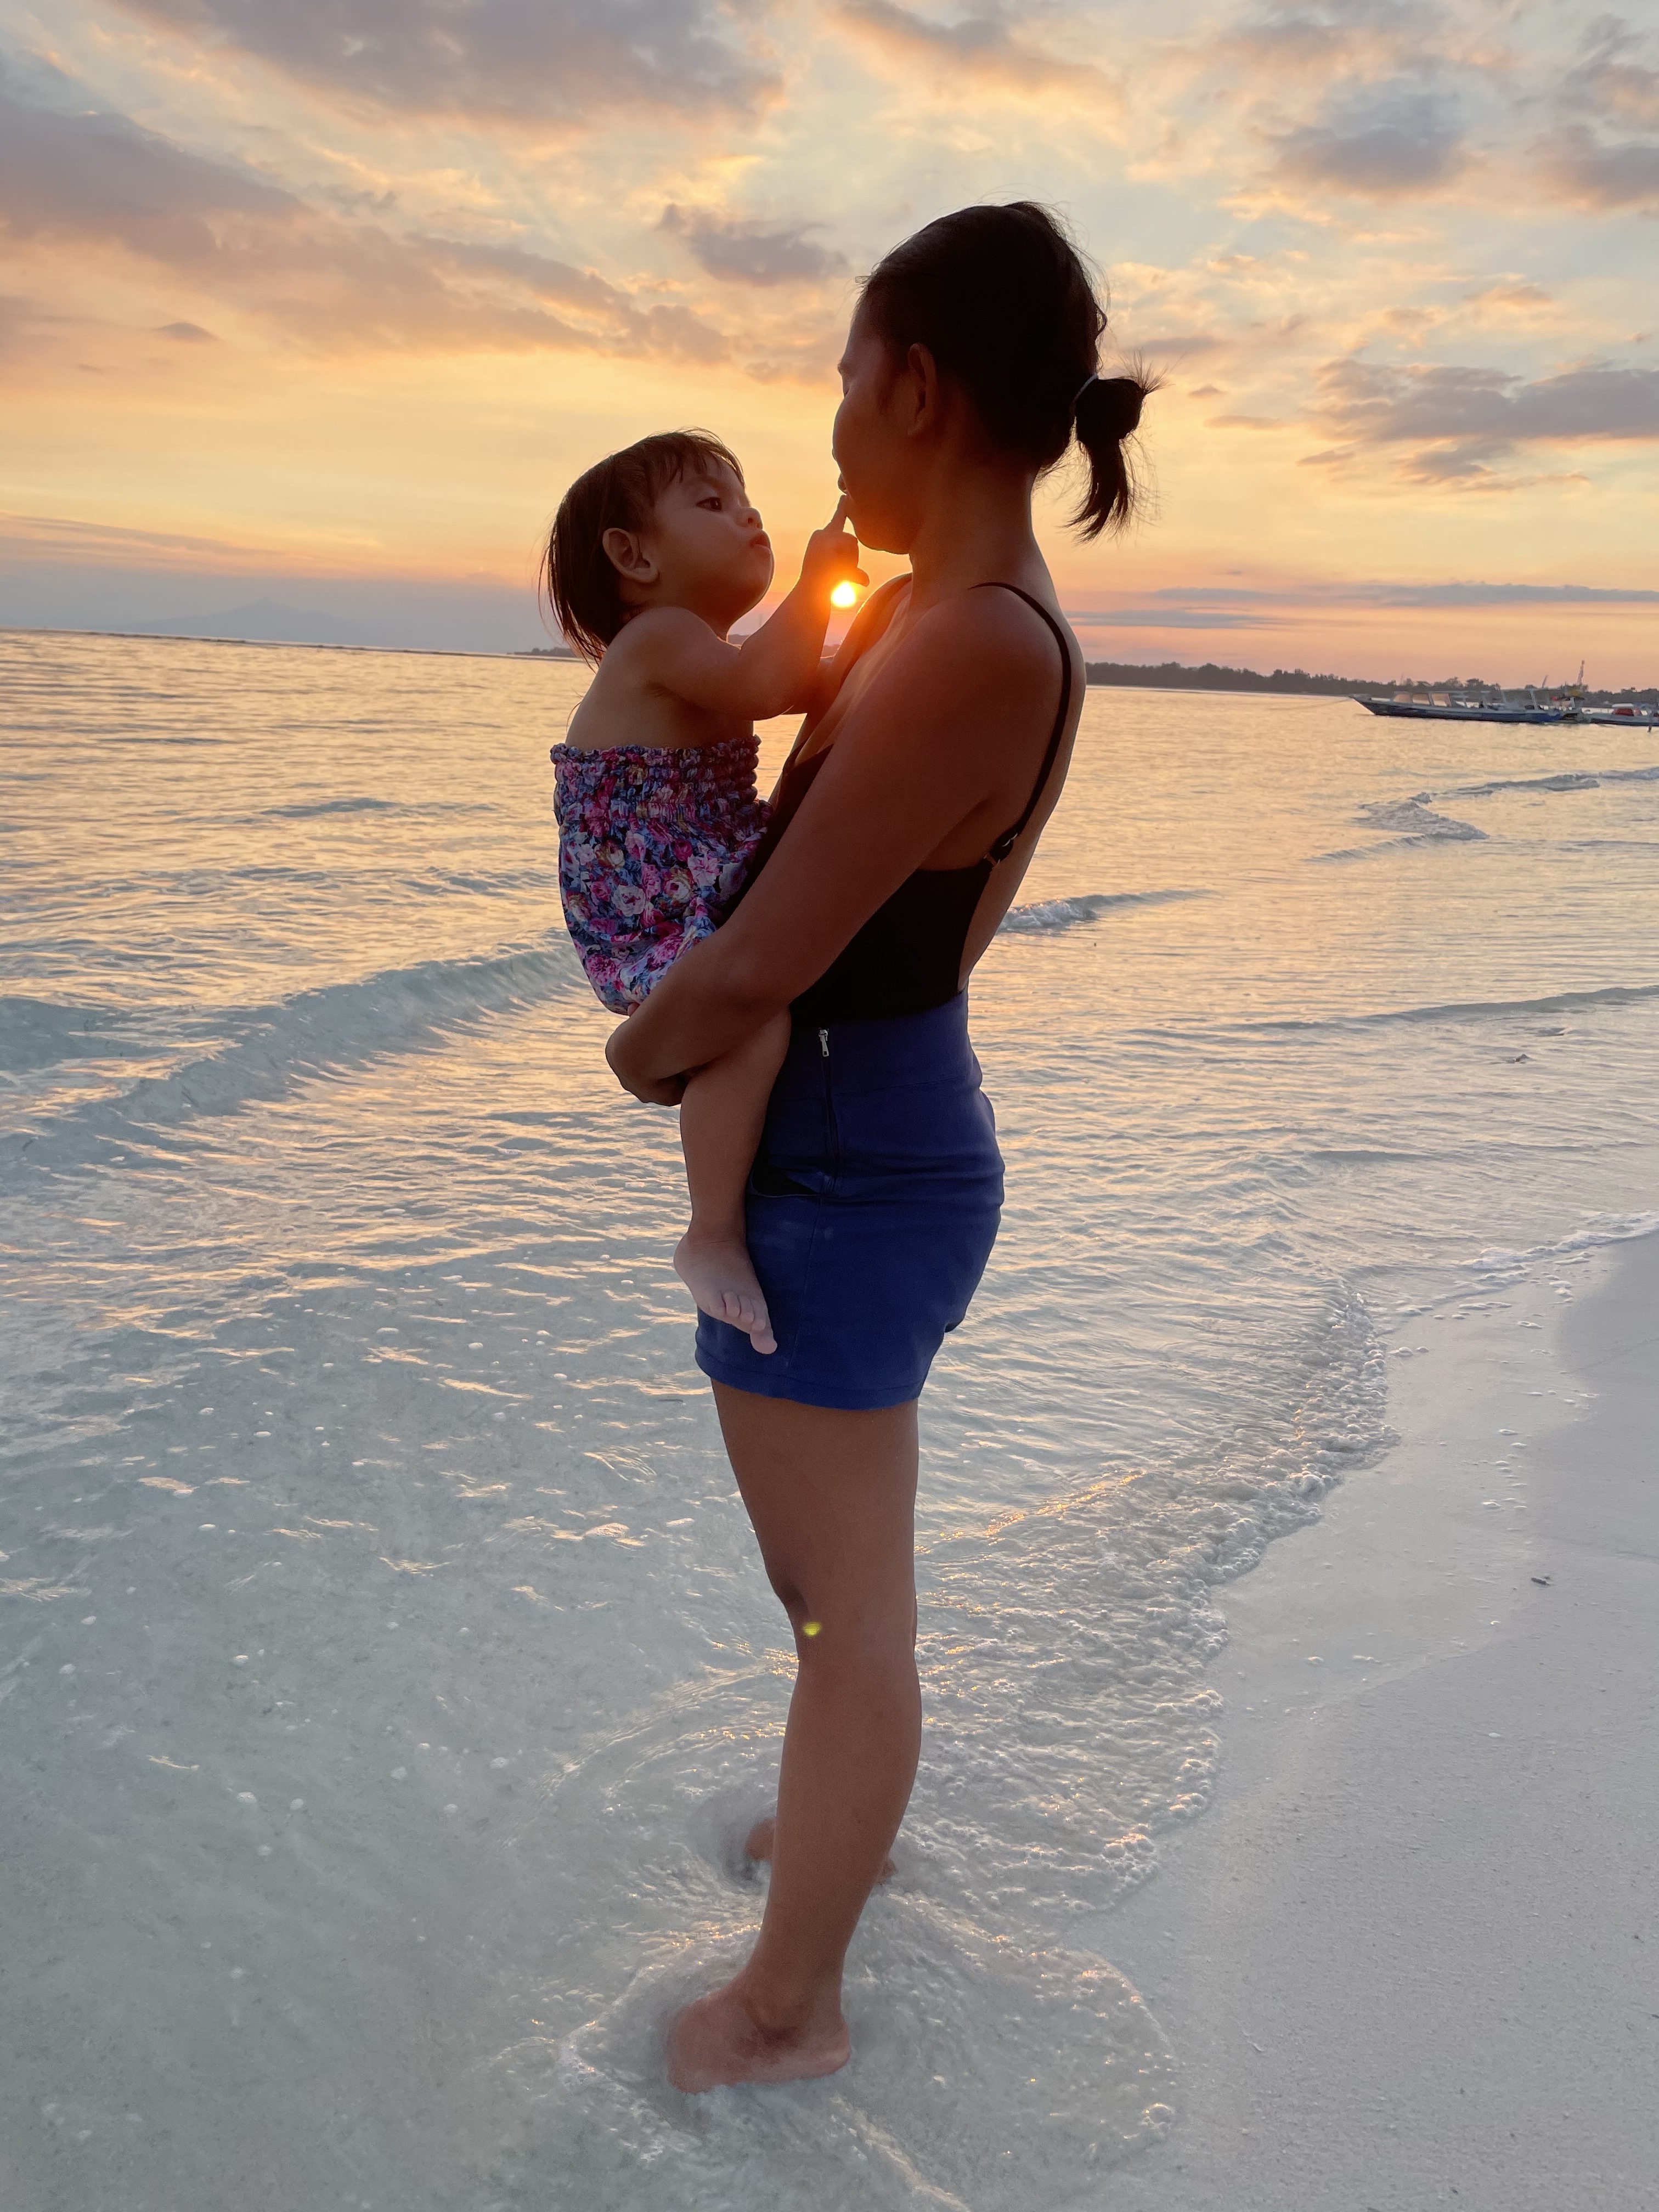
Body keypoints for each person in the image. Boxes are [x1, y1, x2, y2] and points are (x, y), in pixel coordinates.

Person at [602, 202, 1154, 2092]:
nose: (829, 425)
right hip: (871, 1124)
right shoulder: (950, 619)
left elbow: (764, 953)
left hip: (851, 1157)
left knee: (845, 1622)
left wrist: (641, 1055)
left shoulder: (971, 642)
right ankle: (843, 1832)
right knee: (834, 1600)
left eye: (843, 381)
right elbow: (922, 924)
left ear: (916, 387)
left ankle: (786, 2010)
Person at [546, 433, 863, 1352]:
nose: (748, 514)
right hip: (648, 900)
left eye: (745, 496)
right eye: (713, 504)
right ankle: (710, 1231)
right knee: (749, 1020)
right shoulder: (659, 640)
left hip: (701, 864)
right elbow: (772, 683)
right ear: (633, 556)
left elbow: (804, 683)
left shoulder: (702, 647)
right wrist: (817, 581)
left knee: (762, 997)